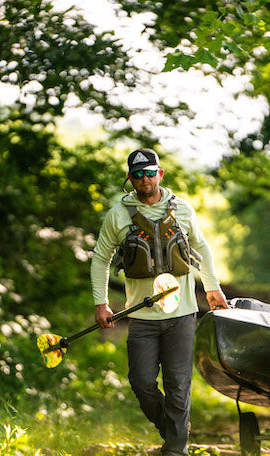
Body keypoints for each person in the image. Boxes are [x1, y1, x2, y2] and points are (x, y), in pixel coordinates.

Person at [90, 148, 229, 456]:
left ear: (160, 174)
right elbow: (101, 258)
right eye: (138, 175)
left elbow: (201, 248)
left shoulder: (183, 210)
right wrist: (101, 303)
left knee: (179, 385)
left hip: (182, 315)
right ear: (130, 179)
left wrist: (212, 288)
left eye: (150, 173)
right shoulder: (118, 215)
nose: (145, 180)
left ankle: (176, 449)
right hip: (141, 318)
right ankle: (173, 431)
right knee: (141, 382)